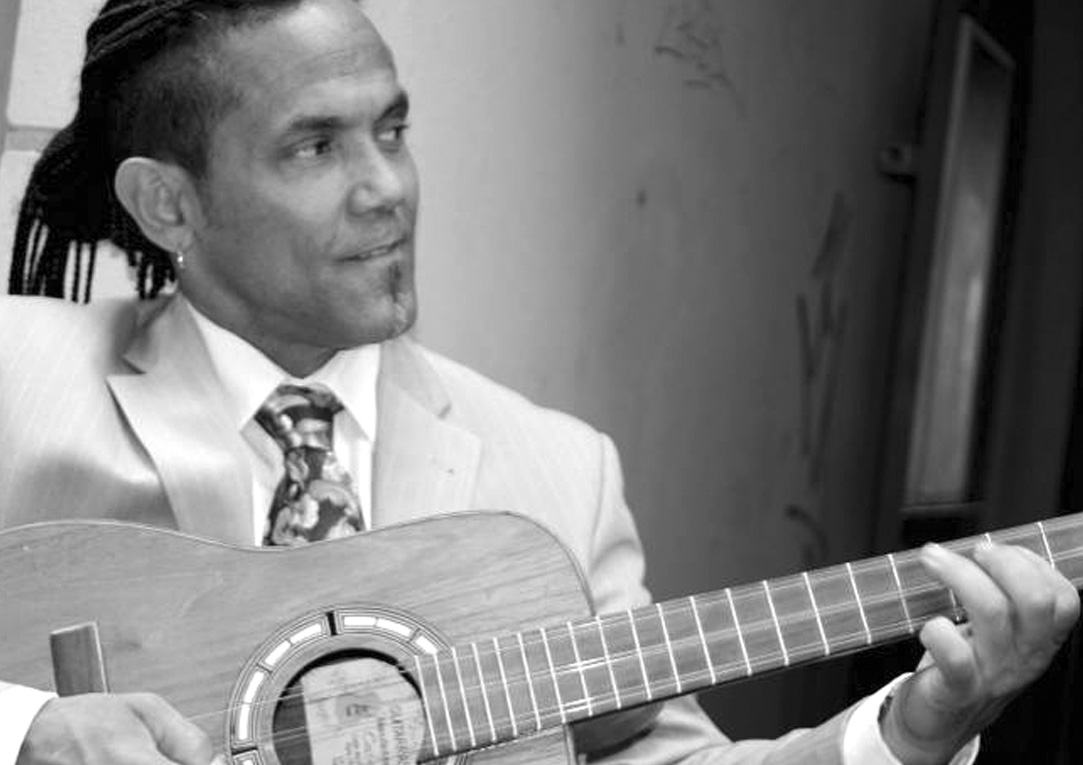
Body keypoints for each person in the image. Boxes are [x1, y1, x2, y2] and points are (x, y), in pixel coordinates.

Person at [0, 1, 1077, 764]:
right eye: (315, 148)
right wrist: (27, 729)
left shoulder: (558, 470)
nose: (387, 189)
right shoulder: (18, 376)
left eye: (392, 130)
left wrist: (910, 734)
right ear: (169, 206)